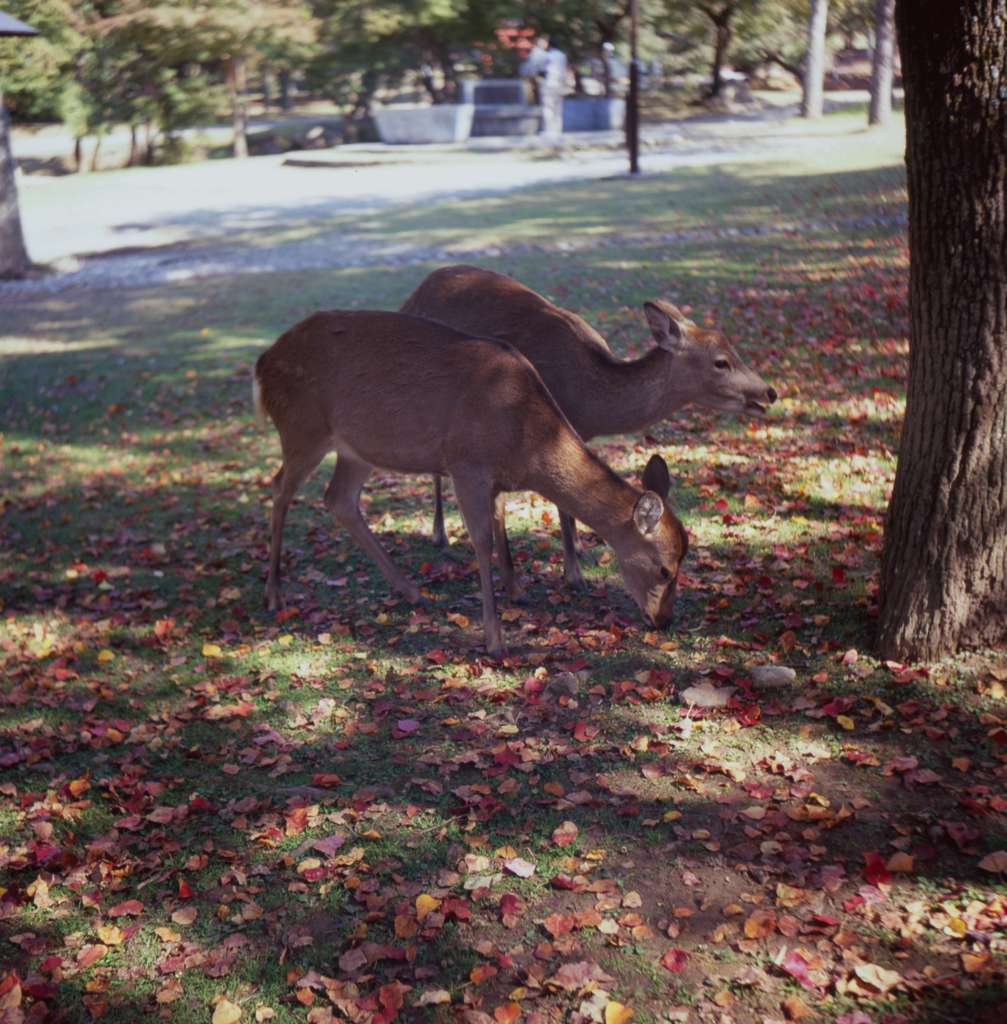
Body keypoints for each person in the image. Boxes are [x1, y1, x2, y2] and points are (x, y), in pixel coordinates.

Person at [520, 35, 568, 138]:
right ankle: (558, 130)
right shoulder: (562, 56)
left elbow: (537, 69)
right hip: (560, 84)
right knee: (558, 108)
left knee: (548, 108)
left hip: (548, 84)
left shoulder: (547, 56)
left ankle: (549, 131)